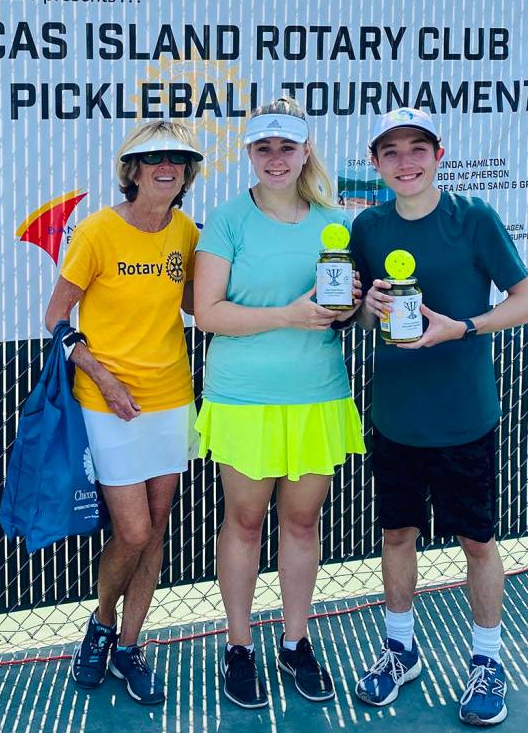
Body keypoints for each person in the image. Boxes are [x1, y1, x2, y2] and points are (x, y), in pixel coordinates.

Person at [349, 107, 528, 726]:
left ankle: (488, 659)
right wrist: (365, 304)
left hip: (465, 416)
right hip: (397, 417)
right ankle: (400, 649)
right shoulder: (368, 228)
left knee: (477, 543)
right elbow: (350, 312)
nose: (405, 162)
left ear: (438, 155)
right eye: (392, 152)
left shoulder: (474, 218)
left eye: (417, 149)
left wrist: (462, 328)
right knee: (396, 535)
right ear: (377, 164)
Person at [193, 96, 365, 709]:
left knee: (302, 522)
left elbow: (343, 307)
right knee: (243, 522)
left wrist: (349, 311)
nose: (275, 158)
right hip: (242, 399)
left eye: (286, 147)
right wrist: (288, 314)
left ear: (305, 151)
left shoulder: (334, 223)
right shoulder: (227, 220)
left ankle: (295, 642)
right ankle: (239, 647)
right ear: (249, 154)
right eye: (264, 147)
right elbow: (208, 312)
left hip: (317, 396)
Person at [43, 120, 203, 706]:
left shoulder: (186, 230)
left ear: (187, 174)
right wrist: (104, 378)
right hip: (110, 403)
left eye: (178, 159)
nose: (167, 167)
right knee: (132, 530)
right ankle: (103, 621)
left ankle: (130, 647)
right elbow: (57, 318)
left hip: (171, 399)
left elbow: (196, 301)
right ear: (131, 171)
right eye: (152, 158)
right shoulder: (97, 231)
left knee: (155, 528)